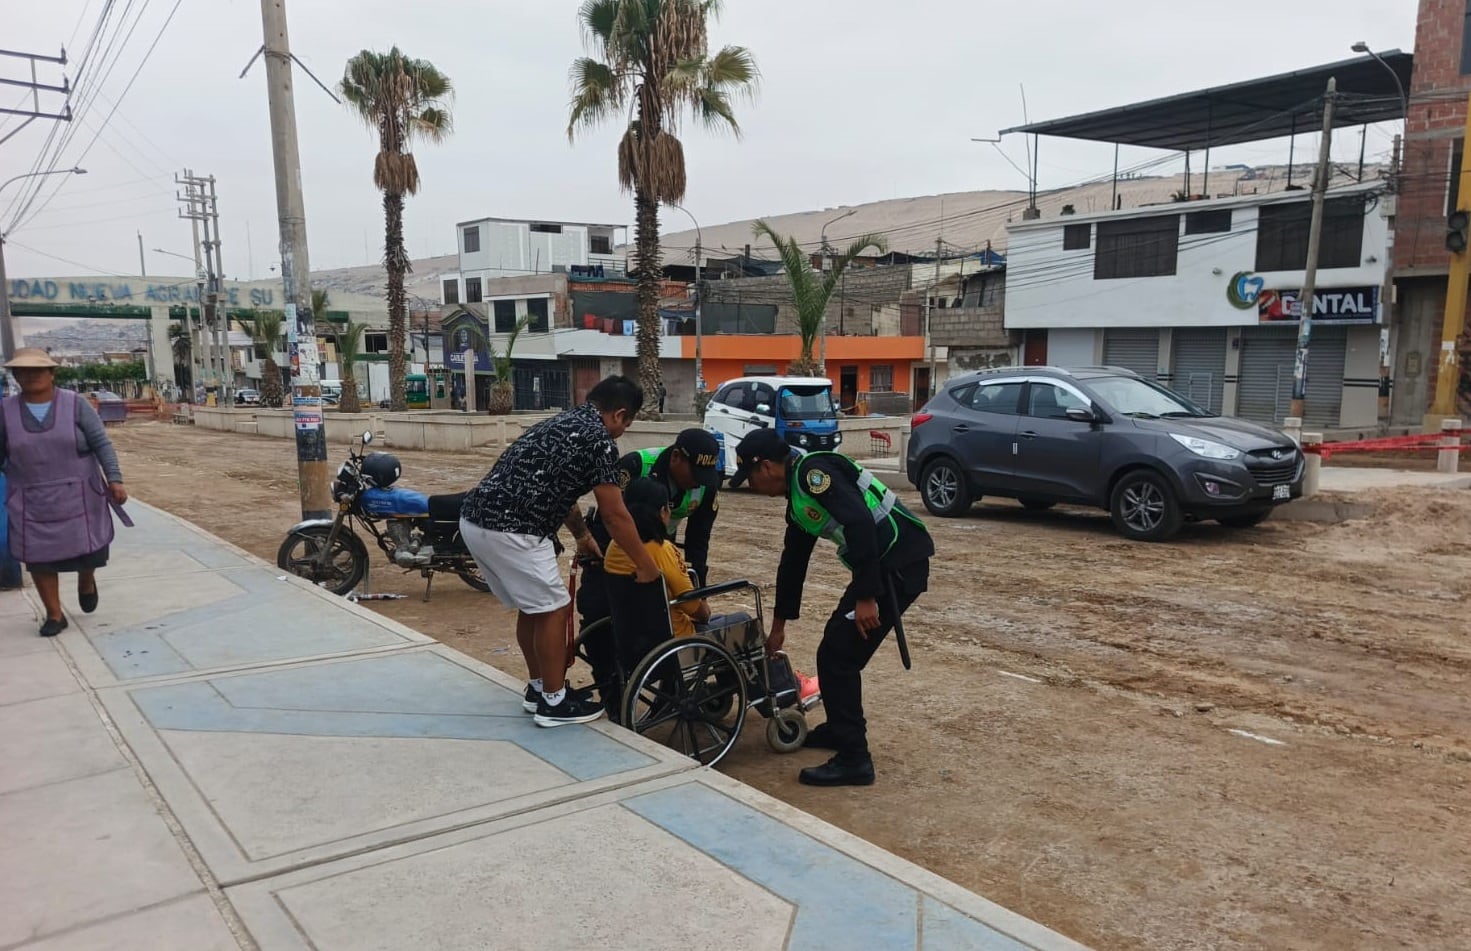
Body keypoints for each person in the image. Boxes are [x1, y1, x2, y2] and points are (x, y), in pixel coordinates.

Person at [730, 427, 933, 787]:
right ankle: (841, 731)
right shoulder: (797, 496)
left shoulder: (812, 474)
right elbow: (793, 563)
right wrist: (779, 626)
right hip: (881, 564)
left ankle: (855, 759)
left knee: (839, 657)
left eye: (750, 478)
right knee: (836, 650)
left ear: (765, 468)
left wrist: (866, 596)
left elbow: (859, 522)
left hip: (897, 563)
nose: (752, 487)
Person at [459, 375, 659, 727]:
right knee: (554, 608)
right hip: (514, 529)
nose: (622, 431)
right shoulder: (599, 440)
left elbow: (557, 488)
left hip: (477, 520)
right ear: (619, 414)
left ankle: (540, 688)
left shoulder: (562, 422)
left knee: (534, 607)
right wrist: (645, 563)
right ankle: (554, 703)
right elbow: (614, 513)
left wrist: (581, 536)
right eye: (626, 424)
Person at [0, 349, 129, 637]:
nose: (31, 375)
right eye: (23, 371)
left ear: (52, 373)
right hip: (30, 500)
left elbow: (101, 443)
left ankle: (86, 580)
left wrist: (115, 479)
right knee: (38, 556)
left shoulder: (75, 405)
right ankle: (55, 615)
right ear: (16, 376)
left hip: (80, 494)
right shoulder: (4, 412)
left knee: (89, 550)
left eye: (38, 370)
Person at [603, 478, 710, 638]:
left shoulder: (614, 546)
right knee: (743, 620)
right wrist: (705, 611)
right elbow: (692, 606)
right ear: (662, 511)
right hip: (675, 639)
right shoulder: (662, 550)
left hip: (631, 636)